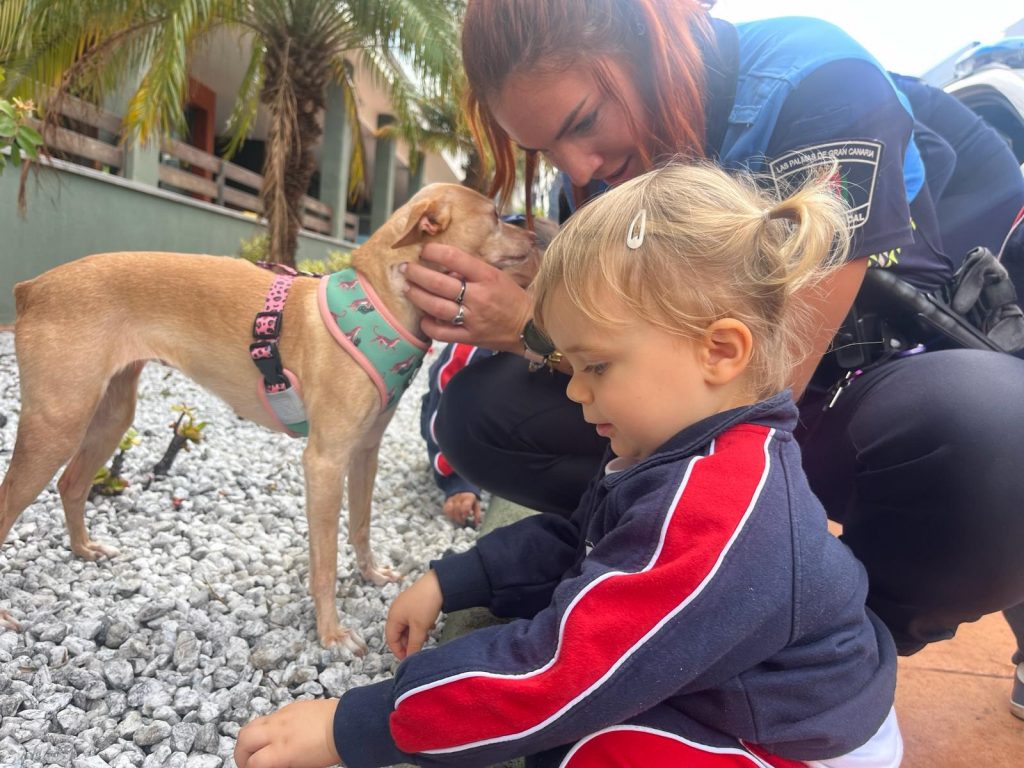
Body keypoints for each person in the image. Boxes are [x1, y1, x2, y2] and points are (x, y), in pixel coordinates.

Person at [398, 0, 1024, 711]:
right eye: (547, 151)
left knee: (996, 438)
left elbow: (755, 395)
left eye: (584, 121)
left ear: (655, 34)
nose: (579, 168)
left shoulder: (818, 81)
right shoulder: (597, 175)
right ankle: (653, 576)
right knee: (479, 413)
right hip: (729, 398)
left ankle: (829, 653)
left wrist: (525, 326)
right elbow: (641, 364)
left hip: (854, 386)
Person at [235, 161, 903, 768]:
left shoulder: (723, 509)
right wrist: (457, 580)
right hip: (741, 692)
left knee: (581, 750)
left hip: (799, 743)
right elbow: (577, 541)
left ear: (719, 351)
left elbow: (558, 675)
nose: (575, 390)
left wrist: (352, 726)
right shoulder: (683, 453)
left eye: (596, 366)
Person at [419, 215, 556, 528]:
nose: (527, 306)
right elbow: (441, 414)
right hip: (450, 427)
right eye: (519, 289)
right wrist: (458, 484)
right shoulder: (470, 347)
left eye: (541, 295)